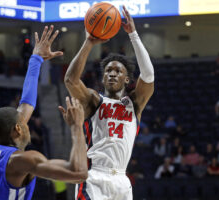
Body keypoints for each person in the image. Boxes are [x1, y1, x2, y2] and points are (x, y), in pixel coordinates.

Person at [0, 26, 88, 200]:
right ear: (18, 129)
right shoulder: (22, 160)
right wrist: (77, 127)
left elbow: (26, 104)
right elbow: (79, 173)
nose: (27, 121)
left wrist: (36, 59)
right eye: (24, 122)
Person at [64, 6, 154, 200]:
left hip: (121, 180)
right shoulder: (93, 100)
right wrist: (88, 42)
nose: (112, 73)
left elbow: (148, 75)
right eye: (108, 70)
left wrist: (134, 35)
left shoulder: (134, 104)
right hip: (94, 176)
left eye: (118, 71)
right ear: (103, 77)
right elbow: (70, 80)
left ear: (127, 79)